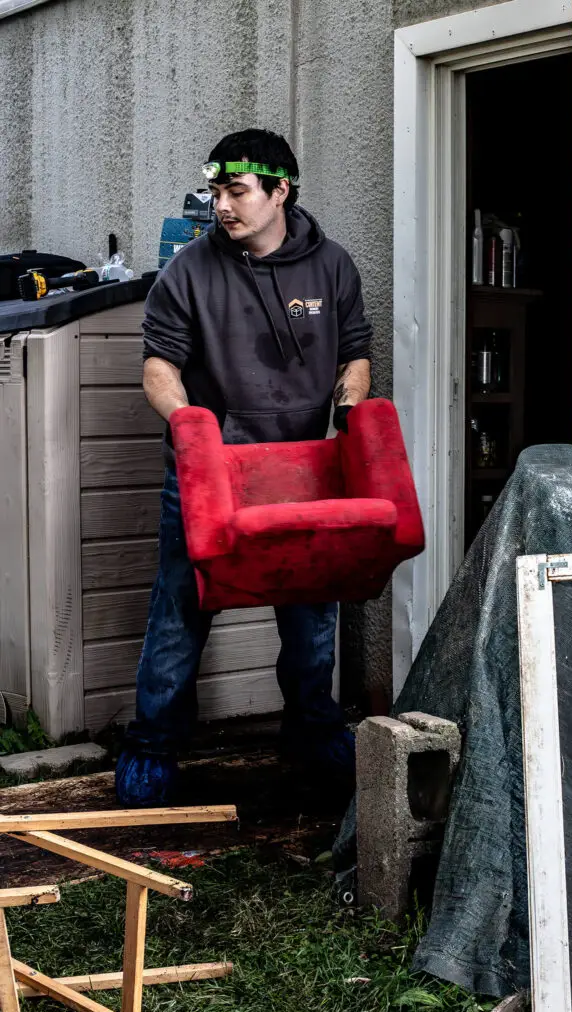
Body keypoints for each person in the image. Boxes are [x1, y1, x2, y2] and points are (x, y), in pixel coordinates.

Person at [115, 128, 372, 808]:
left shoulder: (333, 268)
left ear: (280, 190)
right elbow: (159, 367)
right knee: (179, 613)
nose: (222, 206)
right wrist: (187, 424)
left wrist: (349, 411)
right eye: (216, 192)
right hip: (209, 474)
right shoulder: (189, 272)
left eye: (236, 192)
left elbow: (354, 354)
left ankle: (312, 731)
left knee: (311, 616)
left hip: (302, 471)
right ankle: (152, 748)